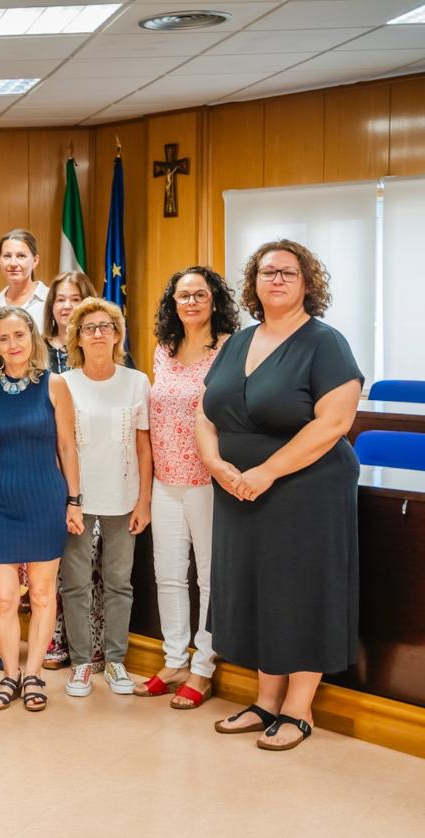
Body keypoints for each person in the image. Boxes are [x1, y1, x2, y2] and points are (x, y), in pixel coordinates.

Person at [199, 240, 362, 750]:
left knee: (302, 589)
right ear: (254, 283)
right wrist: (215, 463)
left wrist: (267, 471)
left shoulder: (324, 342)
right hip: (237, 489)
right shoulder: (236, 342)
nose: (277, 280)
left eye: (289, 273)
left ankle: (298, 706)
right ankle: (266, 699)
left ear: (307, 284)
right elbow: (207, 411)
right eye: (267, 272)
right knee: (258, 590)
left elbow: (335, 421)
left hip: (305, 488)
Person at [0, 307, 82, 711]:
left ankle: (33, 675)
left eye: (19, 335)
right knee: (1, 597)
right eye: (3, 338)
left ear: (32, 338)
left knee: (42, 591)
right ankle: (9, 675)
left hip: (45, 499)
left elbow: (67, 446)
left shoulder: (55, 385)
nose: (12, 345)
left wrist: (74, 500)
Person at [138, 266, 240, 710]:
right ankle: (174, 659)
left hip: (207, 479)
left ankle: (203, 666)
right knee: (169, 575)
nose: (191, 302)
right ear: (172, 303)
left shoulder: (229, 349)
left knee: (209, 577)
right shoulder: (164, 348)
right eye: (183, 295)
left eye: (200, 294)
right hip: (165, 479)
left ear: (214, 300)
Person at [60, 299, 152, 698]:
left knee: (119, 583)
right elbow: (61, 446)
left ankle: (115, 661)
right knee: (75, 583)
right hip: (78, 499)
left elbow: (145, 449)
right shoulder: (64, 383)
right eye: (89, 327)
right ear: (77, 338)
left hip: (124, 497)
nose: (98, 333)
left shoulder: (137, 381)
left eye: (105, 326)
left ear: (117, 334)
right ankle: (81, 663)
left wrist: (144, 501)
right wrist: (70, 499)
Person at [38, 270, 100, 671]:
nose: (67, 305)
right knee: (52, 559)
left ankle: (90, 641)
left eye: (75, 297)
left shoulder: (98, 345)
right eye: (60, 298)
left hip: (92, 465)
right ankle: (52, 637)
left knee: (88, 559)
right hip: (45, 464)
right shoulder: (38, 350)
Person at [0, 229, 47, 324]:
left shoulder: (51, 299)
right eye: (7, 256)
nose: (13, 263)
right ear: (0, 261)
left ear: (35, 261)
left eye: (21, 256)